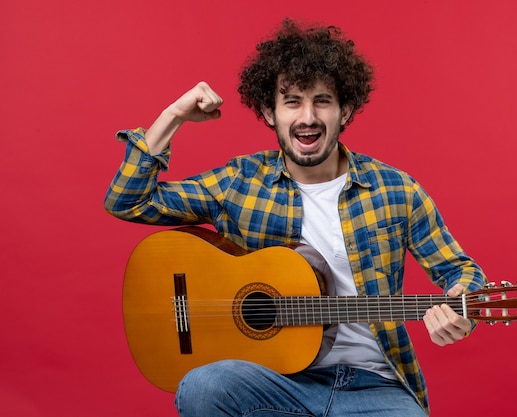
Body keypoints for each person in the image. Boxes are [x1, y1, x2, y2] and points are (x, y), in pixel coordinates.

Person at [105, 18, 486, 417]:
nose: (308, 117)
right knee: (203, 385)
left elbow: (461, 271)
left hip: (374, 386)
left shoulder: (395, 190)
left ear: (346, 110)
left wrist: (460, 309)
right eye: (292, 101)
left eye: (322, 100)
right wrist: (173, 116)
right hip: (273, 382)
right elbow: (127, 200)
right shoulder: (240, 181)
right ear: (269, 112)